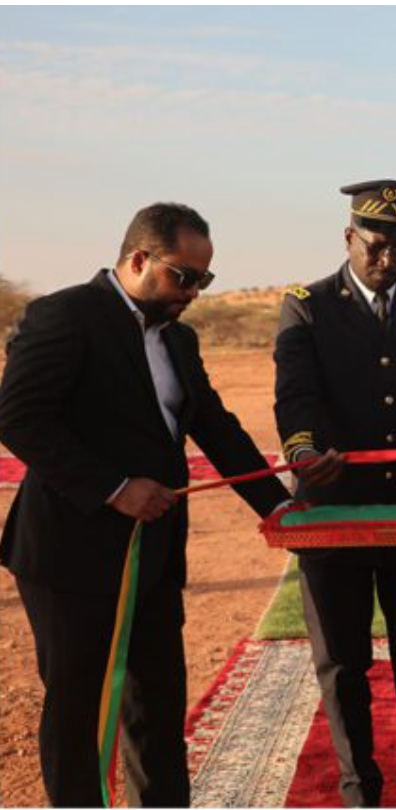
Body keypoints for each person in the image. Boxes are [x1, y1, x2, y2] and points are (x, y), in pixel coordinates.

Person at [0, 202, 292, 807]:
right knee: (79, 710)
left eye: (203, 280)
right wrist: (114, 487)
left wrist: (276, 505)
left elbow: (217, 428)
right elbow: (18, 417)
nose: (194, 292)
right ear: (139, 259)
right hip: (70, 555)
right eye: (184, 277)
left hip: (154, 554)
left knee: (156, 705)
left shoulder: (179, 339)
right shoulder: (65, 316)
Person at [273, 180, 396, 808]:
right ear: (349, 238)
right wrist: (303, 450)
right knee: (341, 663)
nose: (389, 262)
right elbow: (296, 392)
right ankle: (360, 788)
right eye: (377, 247)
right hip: (333, 510)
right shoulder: (307, 305)